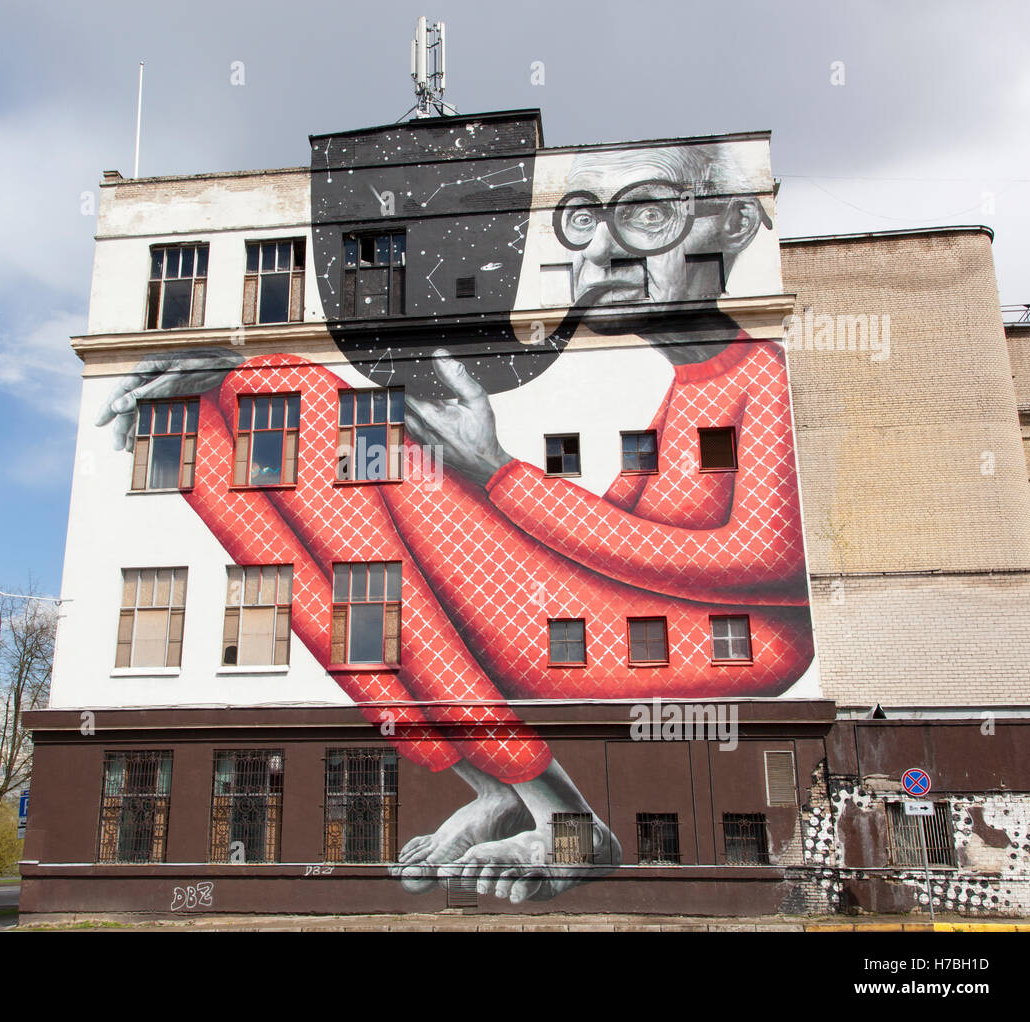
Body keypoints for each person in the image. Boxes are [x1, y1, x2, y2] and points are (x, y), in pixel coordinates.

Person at [95, 143, 813, 901]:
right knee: (302, 550)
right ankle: (507, 793)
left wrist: (496, 472)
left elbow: (761, 556)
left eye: (643, 213)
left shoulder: (760, 376)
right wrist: (493, 479)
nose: (601, 250)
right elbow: (614, 537)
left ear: (732, 223)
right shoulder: (686, 393)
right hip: (628, 615)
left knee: (324, 419)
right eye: (581, 222)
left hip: (718, 641)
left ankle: (567, 824)